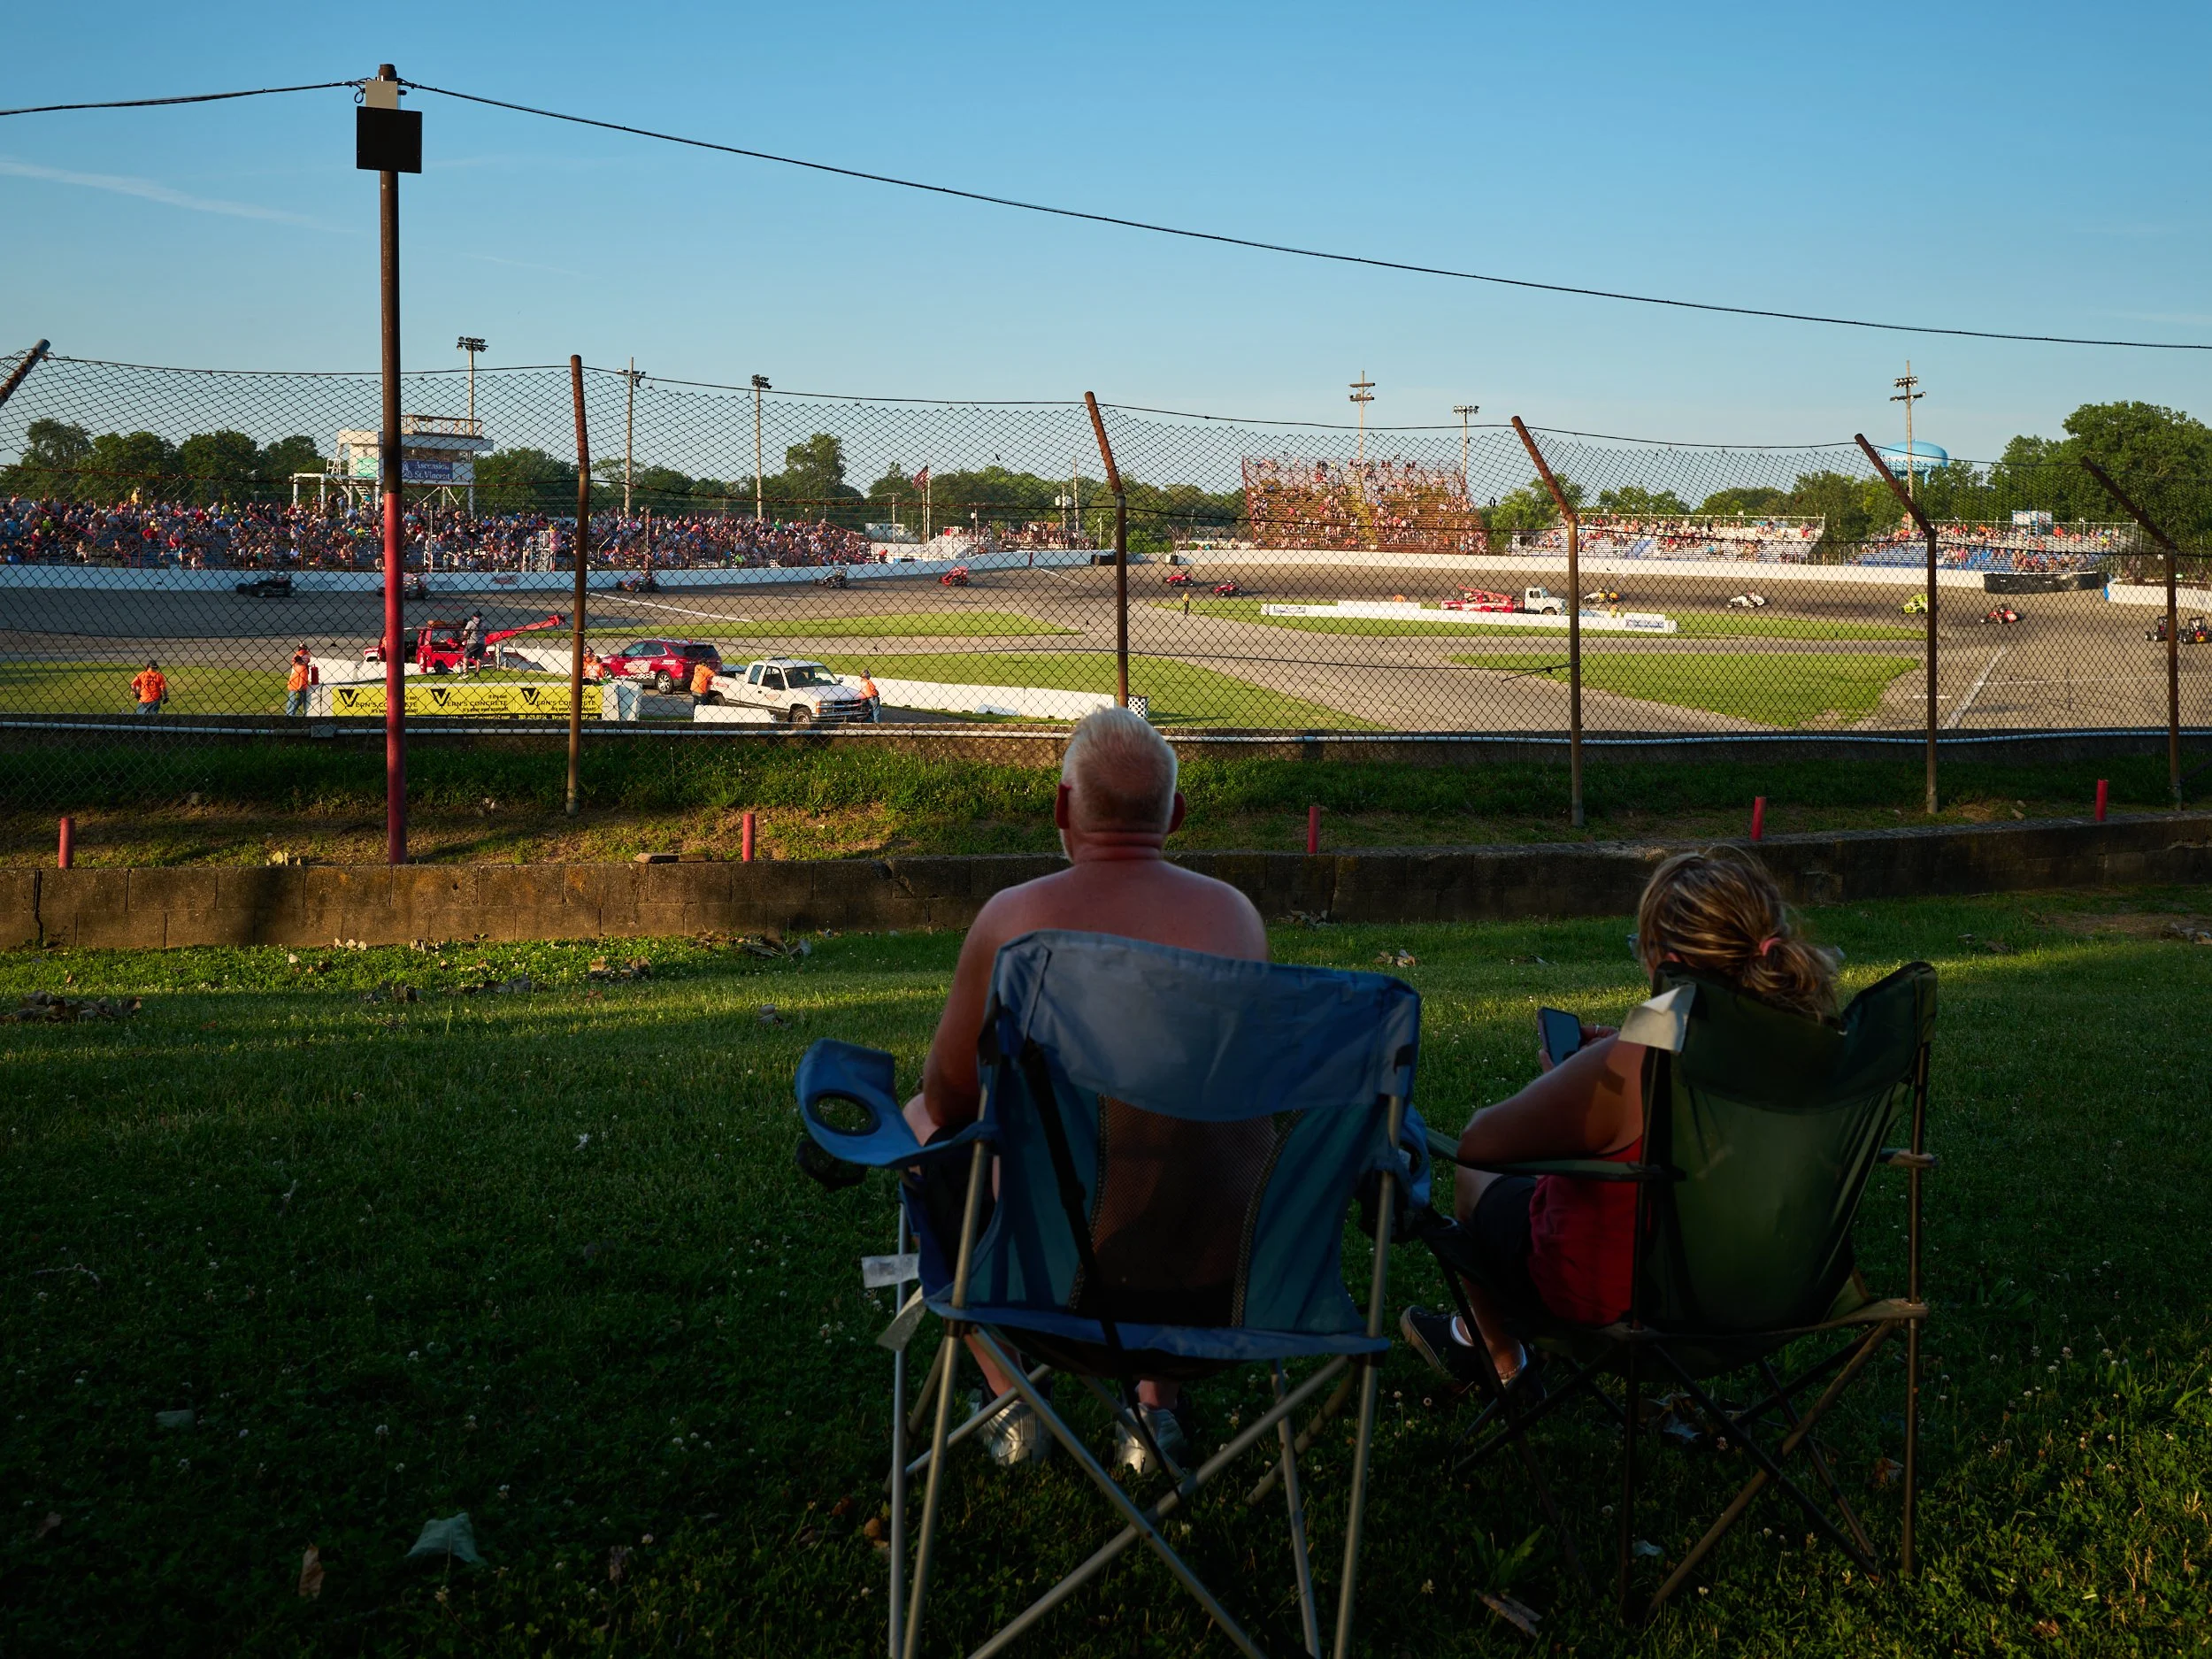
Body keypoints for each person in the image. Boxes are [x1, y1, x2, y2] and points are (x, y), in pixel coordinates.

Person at [902, 706, 1266, 1470]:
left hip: (1045, 1281)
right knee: (1182, 1147)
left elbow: (949, 1100)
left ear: (1064, 808)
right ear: (1176, 814)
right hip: (1208, 1281)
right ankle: (1153, 1407)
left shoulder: (1016, 920)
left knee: (915, 1122)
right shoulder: (1234, 920)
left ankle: (1010, 1395)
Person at [1400, 846, 1840, 1389]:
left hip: (1626, 1306)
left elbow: (1480, 1142)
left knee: (1478, 1175)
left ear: (1665, 959)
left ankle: (1497, 1354)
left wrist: (1573, 1074)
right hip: (1768, 1290)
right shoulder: (1809, 1039)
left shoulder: (1637, 1060)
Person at [285, 644, 314, 718]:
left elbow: (301, 680)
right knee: (290, 707)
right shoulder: (302, 665)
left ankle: (289, 723)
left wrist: (299, 689)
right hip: (296, 690)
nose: (293, 661)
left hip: (297, 691)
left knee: (291, 709)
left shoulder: (301, 667)